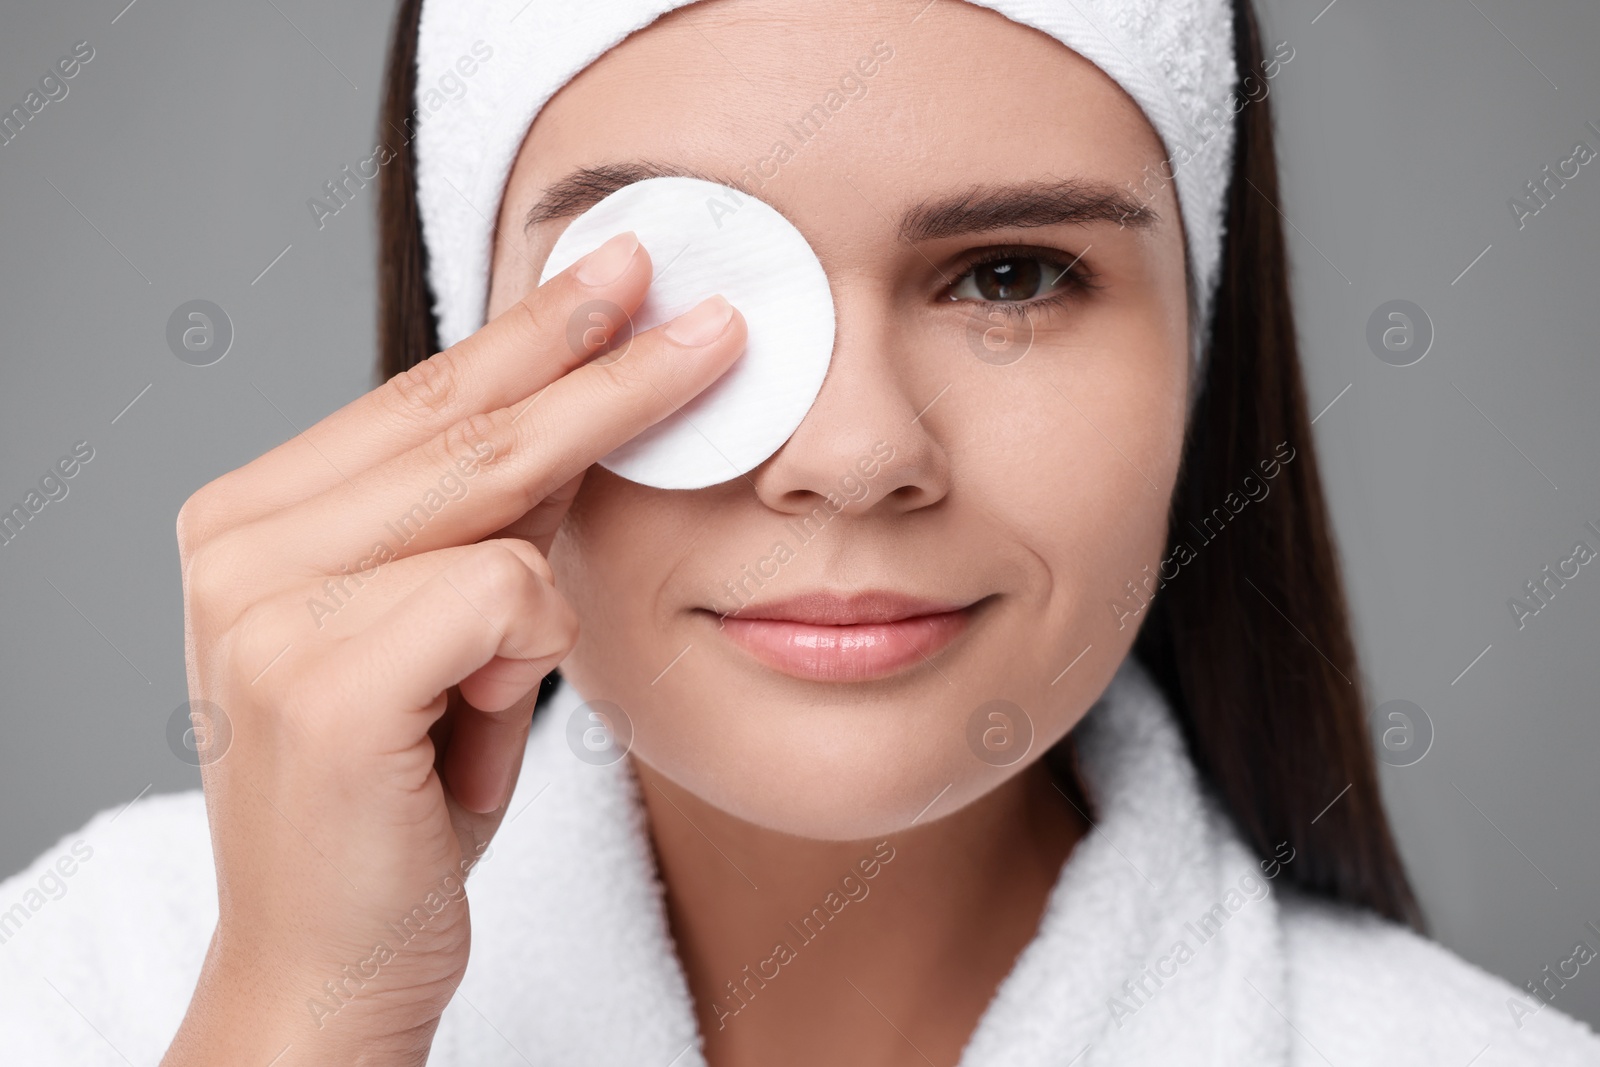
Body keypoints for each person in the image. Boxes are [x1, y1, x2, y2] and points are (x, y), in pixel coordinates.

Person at [3, 0, 1597, 1064]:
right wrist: (295, 1020)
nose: (852, 457)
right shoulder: (90, 985)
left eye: (1012, 275)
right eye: (687, 290)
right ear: (462, 362)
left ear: (1197, 350)